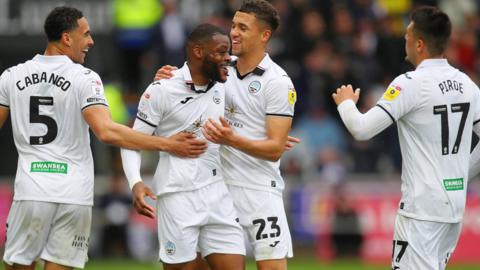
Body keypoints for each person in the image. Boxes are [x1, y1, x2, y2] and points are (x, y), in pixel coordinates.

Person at [0, 6, 207, 270]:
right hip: (72, 193)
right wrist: (167, 143)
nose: (91, 41)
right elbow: (107, 131)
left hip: (30, 190)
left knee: (19, 265)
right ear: (66, 38)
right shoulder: (84, 78)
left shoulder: (11, 76)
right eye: (85, 34)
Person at [332, 6, 480, 270]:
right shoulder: (467, 84)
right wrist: (459, 174)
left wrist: (345, 103)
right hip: (454, 208)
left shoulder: (410, 83)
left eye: (408, 35)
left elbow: (362, 129)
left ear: (420, 44)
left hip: (420, 209)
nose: (405, 40)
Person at [156, 1, 297, 269]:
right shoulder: (218, 66)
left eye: (243, 28)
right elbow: (183, 88)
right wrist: (166, 77)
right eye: (233, 25)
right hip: (216, 187)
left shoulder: (278, 82)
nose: (233, 32)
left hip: (258, 190)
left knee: (272, 266)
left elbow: (275, 149)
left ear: (264, 35)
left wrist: (232, 138)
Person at [121, 23, 245, 270]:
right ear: (199, 52)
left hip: (219, 192)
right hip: (178, 194)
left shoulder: (227, 83)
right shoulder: (162, 89)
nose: (227, 58)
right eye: (221, 51)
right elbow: (131, 141)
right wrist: (135, 182)